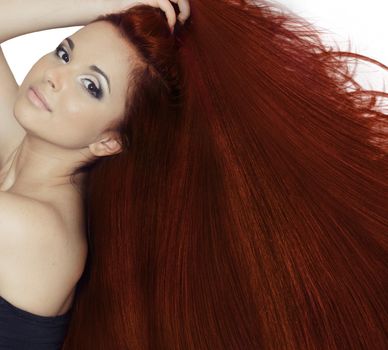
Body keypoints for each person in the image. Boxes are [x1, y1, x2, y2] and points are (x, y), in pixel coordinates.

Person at [1, 0, 387, 349]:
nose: (54, 75)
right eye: (64, 53)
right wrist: (107, 3)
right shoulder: (21, 158)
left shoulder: (35, 229)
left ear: (109, 141)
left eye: (91, 86)